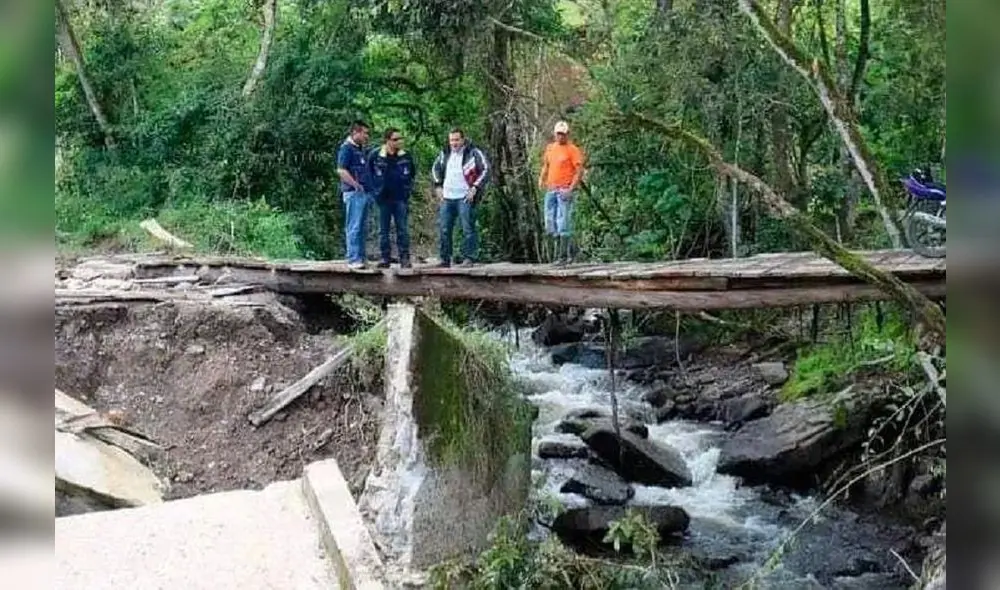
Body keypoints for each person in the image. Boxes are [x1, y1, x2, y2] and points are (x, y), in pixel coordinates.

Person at [430, 128, 491, 267]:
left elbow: (486, 169)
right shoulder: (444, 153)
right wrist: (438, 186)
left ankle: (469, 258)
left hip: (465, 196)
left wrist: (475, 187)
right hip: (447, 197)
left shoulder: (473, 152)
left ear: (463, 140)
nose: (454, 143)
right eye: (451, 140)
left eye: (457, 140)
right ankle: (445, 259)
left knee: (467, 228)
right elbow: (435, 169)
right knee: (444, 228)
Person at [538, 120, 585, 264]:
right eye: (558, 134)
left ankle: (563, 256)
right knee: (549, 221)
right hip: (551, 188)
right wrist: (541, 178)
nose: (561, 137)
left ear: (567, 134)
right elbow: (546, 165)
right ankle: (564, 253)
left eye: (563, 134)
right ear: (555, 134)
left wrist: (571, 188)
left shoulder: (573, 150)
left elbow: (579, 171)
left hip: (564, 188)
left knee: (563, 221)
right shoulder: (550, 148)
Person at [368, 128, 415, 268]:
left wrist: (407, 190)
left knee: (402, 229)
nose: (399, 142)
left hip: (400, 197)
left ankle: (404, 257)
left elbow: (412, 173)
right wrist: (375, 192)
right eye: (395, 139)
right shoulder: (376, 155)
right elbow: (369, 174)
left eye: (401, 139)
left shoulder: (406, 156)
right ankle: (385, 257)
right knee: (383, 230)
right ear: (387, 140)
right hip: (383, 198)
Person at [337, 120, 374, 269]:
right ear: (355, 132)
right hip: (354, 193)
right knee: (354, 226)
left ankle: (361, 257)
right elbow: (341, 170)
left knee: (363, 227)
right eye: (365, 133)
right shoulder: (346, 149)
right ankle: (353, 259)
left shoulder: (359, 149)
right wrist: (355, 184)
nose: (367, 136)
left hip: (364, 193)